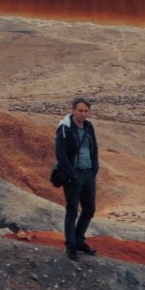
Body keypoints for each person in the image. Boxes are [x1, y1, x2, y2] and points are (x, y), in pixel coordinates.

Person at [55, 96, 99, 261]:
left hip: (88, 174)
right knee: (72, 210)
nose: (83, 114)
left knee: (89, 209)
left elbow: (94, 147)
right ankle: (71, 246)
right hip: (73, 175)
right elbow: (60, 153)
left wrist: (95, 168)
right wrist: (71, 174)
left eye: (86, 111)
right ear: (73, 110)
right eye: (80, 110)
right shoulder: (65, 129)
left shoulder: (88, 126)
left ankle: (80, 240)